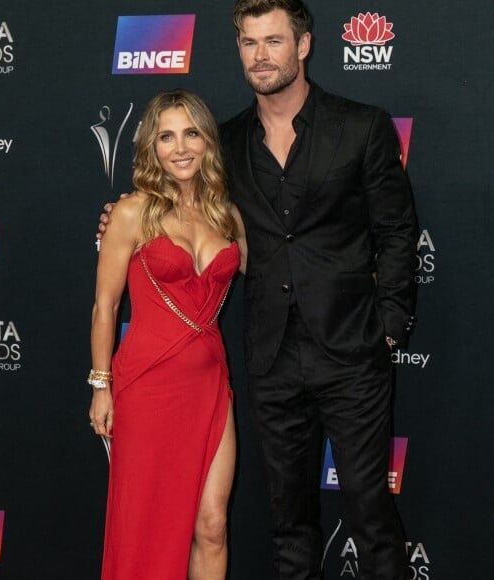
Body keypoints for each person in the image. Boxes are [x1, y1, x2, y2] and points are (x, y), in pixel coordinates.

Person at [98, 2, 418, 579]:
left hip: (353, 355)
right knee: (290, 527)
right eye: (249, 43)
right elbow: (181, 208)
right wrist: (117, 219)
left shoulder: (362, 126)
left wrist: (389, 326)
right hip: (271, 362)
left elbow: (397, 231)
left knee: (373, 519)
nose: (261, 55)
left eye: (273, 41)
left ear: (303, 46)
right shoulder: (223, 144)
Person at [88, 88, 247, 580]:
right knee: (144, 525)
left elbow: (284, 267)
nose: (180, 148)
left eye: (191, 134)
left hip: (210, 385)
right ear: (151, 148)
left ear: (207, 142)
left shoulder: (229, 215)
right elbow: (105, 305)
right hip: (147, 385)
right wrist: (100, 385)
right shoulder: (132, 212)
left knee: (213, 524)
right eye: (166, 137)